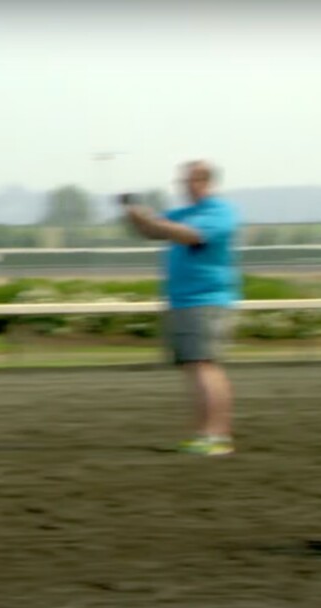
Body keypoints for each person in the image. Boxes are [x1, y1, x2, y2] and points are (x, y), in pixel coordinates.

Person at [122, 160, 241, 456]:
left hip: (206, 301)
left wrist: (152, 221)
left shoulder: (219, 212)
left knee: (205, 366)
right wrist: (134, 213)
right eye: (184, 181)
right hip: (183, 301)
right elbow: (152, 231)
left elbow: (188, 235)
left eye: (192, 180)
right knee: (194, 368)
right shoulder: (184, 212)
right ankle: (204, 433)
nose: (186, 186)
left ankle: (217, 435)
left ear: (207, 182)